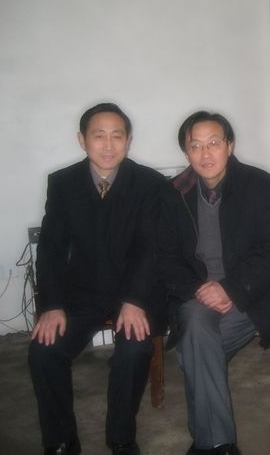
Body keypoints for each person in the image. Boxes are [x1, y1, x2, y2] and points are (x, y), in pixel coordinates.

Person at [29, 103, 167, 455]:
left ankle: (121, 437)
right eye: (98, 136)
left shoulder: (150, 184)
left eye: (117, 136)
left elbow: (150, 247)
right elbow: (51, 248)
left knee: (134, 350)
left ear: (128, 140)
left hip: (133, 291)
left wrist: (135, 299)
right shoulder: (63, 183)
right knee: (44, 351)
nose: (108, 145)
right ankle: (61, 440)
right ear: (82, 140)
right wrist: (52, 304)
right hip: (81, 292)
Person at [158, 111, 270, 455]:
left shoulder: (262, 187)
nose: (205, 153)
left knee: (193, 350)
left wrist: (230, 288)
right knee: (197, 328)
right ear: (186, 152)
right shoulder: (174, 194)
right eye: (195, 146)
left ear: (230, 146)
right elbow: (165, 256)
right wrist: (198, 290)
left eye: (214, 143)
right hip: (196, 296)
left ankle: (209, 443)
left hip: (251, 295)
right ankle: (219, 445)